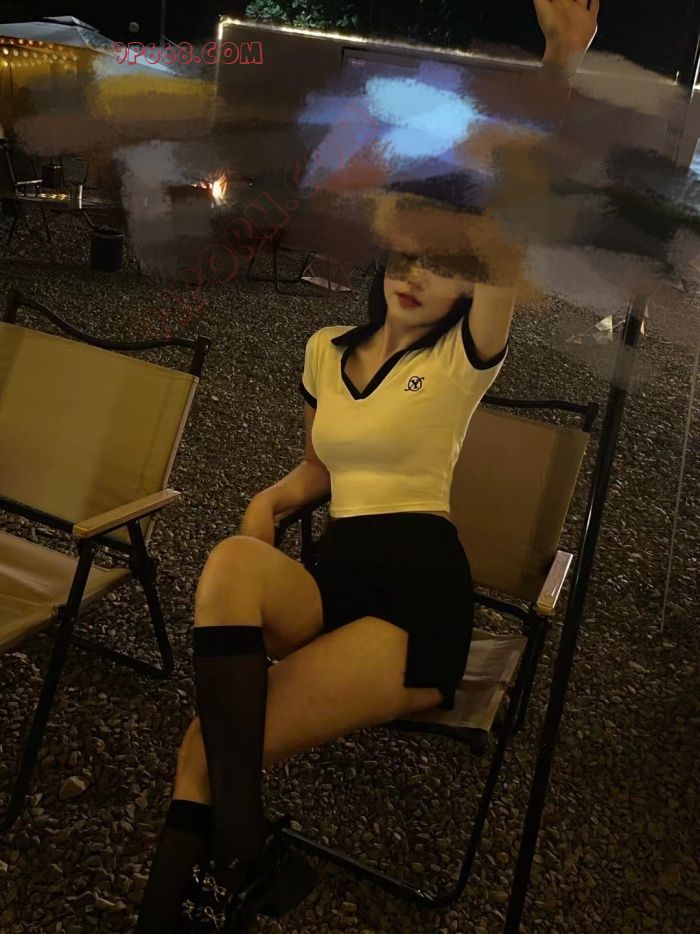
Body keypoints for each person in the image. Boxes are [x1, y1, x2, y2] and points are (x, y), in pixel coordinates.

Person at [135, 2, 600, 931]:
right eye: (408, 253)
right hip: (333, 577)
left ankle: (226, 864)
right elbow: (319, 469)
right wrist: (269, 504)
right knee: (229, 562)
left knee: (201, 753)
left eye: (446, 263)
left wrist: (559, 61)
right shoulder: (325, 350)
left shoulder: (464, 359)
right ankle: (246, 854)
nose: (418, 273)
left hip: (415, 600)